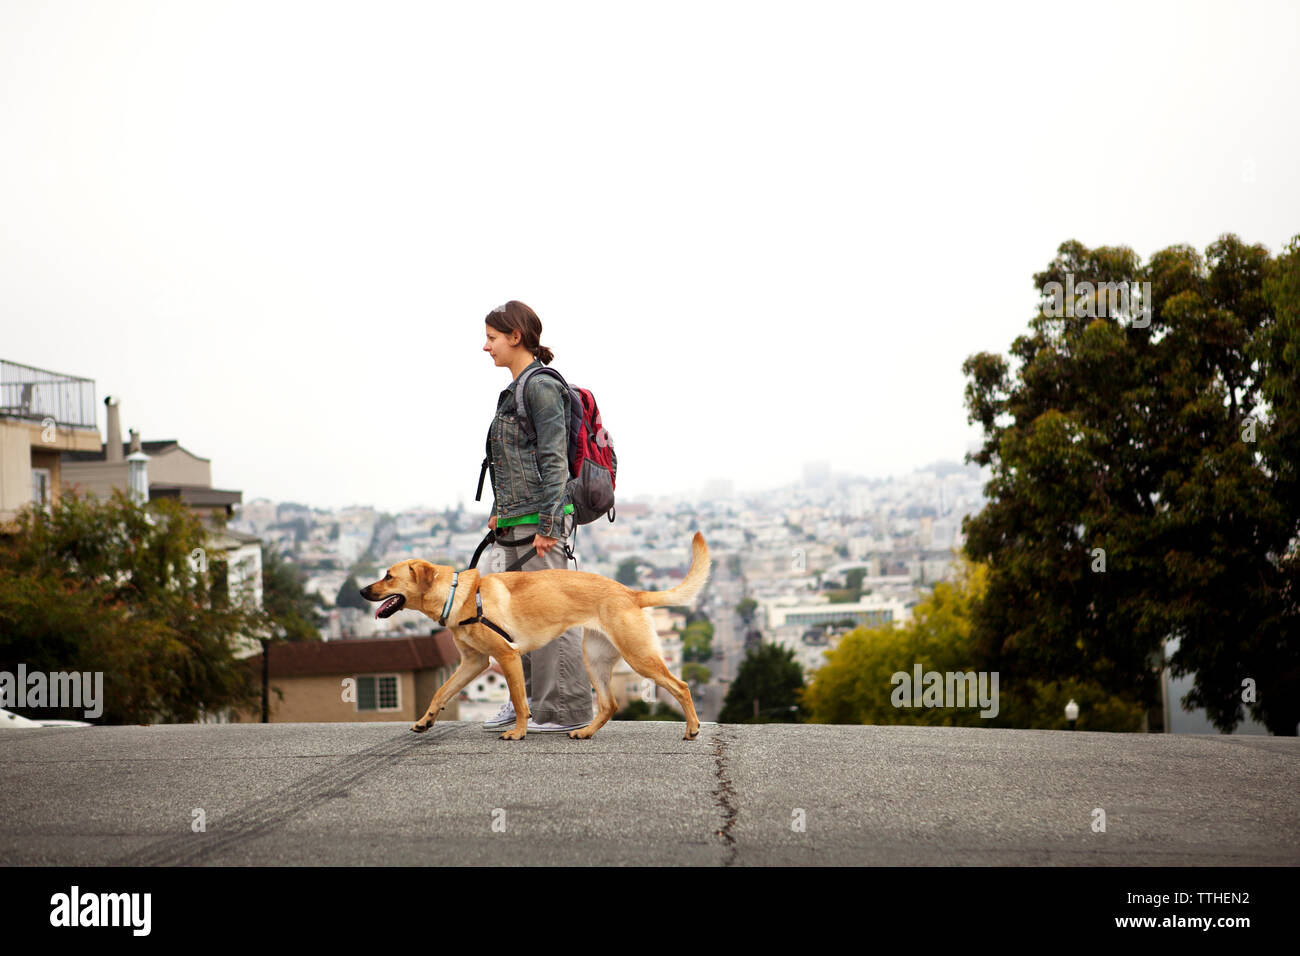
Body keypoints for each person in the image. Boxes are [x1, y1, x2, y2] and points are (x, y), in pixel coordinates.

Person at [479, 300, 593, 733]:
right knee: (516, 618)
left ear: (515, 337)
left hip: (539, 523)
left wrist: (548, 526)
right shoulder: (515, 389)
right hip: (515, 521)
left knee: (551, 617)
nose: (485, 346)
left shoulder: (540, 387)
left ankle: (563, 711)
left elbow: (554, 460)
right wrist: (498, 513)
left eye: (492, 338)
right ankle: (525, 704)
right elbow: (511, 461)